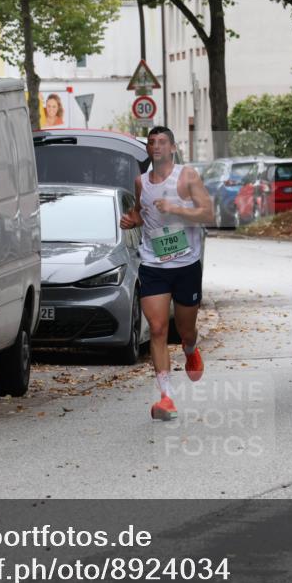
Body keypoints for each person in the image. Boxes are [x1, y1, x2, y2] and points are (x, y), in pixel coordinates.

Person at [119, 126, 214, 421]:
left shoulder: (187, 177)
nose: (156, 146)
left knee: (184, 330)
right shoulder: (141, 181)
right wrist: (131, 220)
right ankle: (167, 398)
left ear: (172, 148)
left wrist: (176, 208)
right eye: (152, 142)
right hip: (153, 264)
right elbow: (141, 210)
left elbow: (208, 213)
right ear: (148, 149)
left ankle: (189, 349)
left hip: (186, 264)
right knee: (158, 329)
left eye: (162, 142)